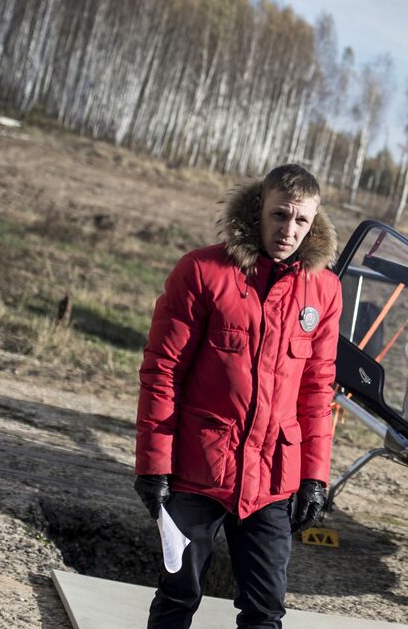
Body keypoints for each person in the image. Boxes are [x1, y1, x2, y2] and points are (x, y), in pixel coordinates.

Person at [133, 164, 342, 629]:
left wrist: (315, 478)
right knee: (177, 595)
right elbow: (162, 372)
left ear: (314, 222)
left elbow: (317, 390)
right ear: (258, 211)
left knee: (266, 610)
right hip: (195, 470)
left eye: (301, 221)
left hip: (271, 480)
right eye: (279, 216)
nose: (288, 231)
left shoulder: (325, 290)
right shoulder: (203, 271)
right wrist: (153, 466)